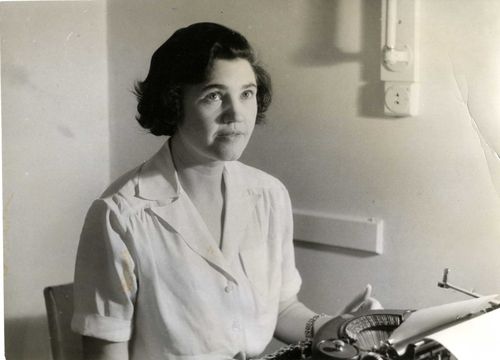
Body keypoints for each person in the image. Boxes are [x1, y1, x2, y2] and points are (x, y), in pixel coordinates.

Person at [71, 22, 381, 360]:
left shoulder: (269, 195)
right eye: (214, 96)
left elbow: (282, 307)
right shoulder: (120, 215)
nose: (237, 115)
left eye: (246, 93)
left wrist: (337, 326)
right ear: (174, 103)